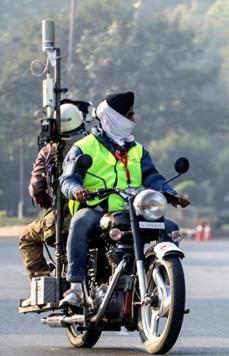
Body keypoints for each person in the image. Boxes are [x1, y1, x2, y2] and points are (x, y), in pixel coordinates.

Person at [59, 92, 190, 307]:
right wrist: (77, 190)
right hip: (97, 208)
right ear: (115, 118)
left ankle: (164, 279)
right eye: (129, 115)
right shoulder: (84, 147)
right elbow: (68, 179)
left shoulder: (137, 150)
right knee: (80, 222)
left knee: (170, 227)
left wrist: (172, 194)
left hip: (133, 210)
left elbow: (152, 177)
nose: (133, 121)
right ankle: (76, 288)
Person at [18, 102, 88, 286]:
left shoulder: (50, 150)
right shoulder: (95, 144)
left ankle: (44, 280)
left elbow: (37, 189)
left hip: (64, 216)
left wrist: (49, 206)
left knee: (27, 237)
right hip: (99, 211)